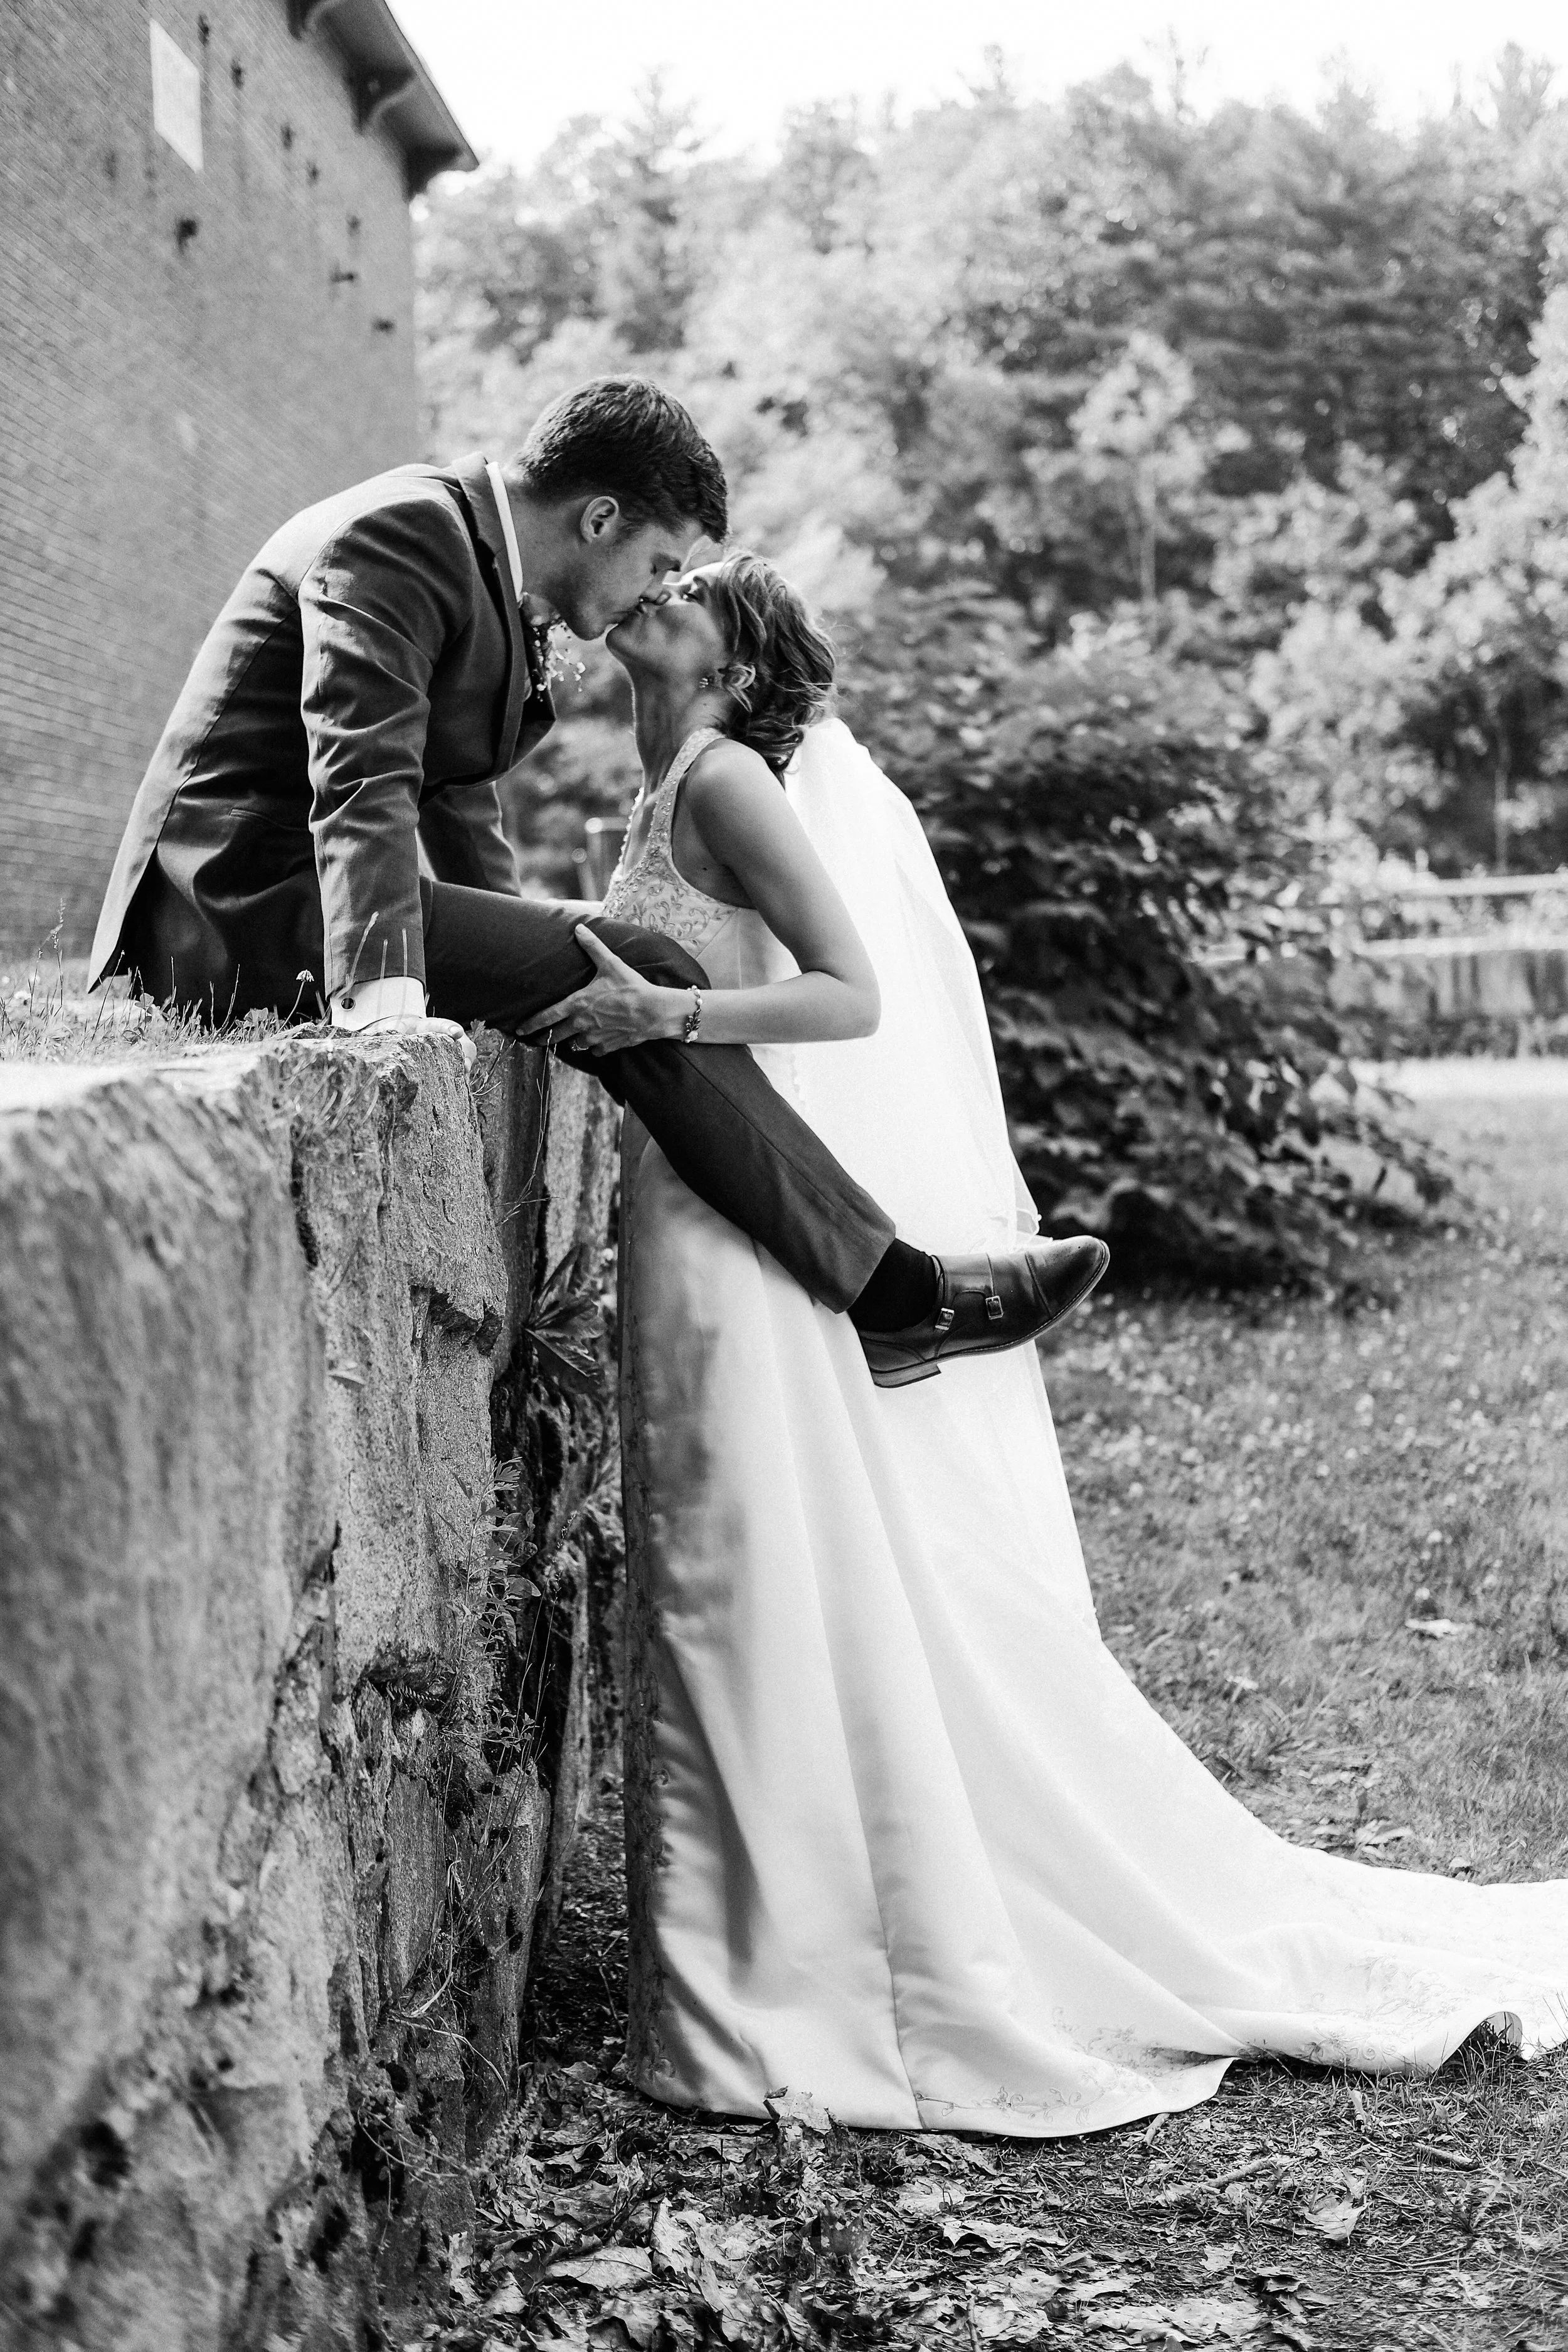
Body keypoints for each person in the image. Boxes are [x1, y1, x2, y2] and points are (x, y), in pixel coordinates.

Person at [594, 548, 1568, 2135]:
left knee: (738, 1553)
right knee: (712, 1548)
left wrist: (670, 1018)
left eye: (689, 587)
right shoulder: (651, 786)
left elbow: (849, 997)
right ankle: (723, 1955)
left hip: (727, 1227)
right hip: (680, 1196)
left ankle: (771, 1980)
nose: (657, 589)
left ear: (735, 663)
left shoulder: (725, 782)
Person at [87, 376, 1105, 1385]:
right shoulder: (403, 535)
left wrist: (515, 960)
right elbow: (365, 776)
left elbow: (456, 799)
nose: (657, 589)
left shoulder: (473, 560)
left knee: (622, 958)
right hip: (236, 911)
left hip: (291, 897)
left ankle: (889, 1289)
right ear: (600, 516)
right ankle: (897, 1294)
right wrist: (387, 1008)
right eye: (661, 562)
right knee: (642, 961)